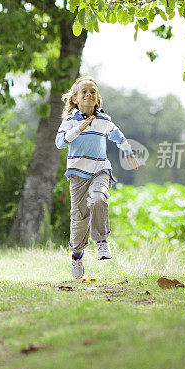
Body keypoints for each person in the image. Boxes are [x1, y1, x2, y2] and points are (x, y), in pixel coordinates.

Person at [55, 75, 138, 279]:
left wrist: (128, 151)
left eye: (93, 92)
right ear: (75, 98)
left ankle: (101, 242)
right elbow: (60, 143)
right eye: (84, 91)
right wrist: (78, 130)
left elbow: (118, 136)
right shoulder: (70, 121)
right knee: (80, 218)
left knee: (99, 199)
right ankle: (77, 256)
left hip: (100, 170)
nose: (89, 94)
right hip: (77, 175)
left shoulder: (104, 120)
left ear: (97, 98)